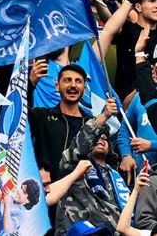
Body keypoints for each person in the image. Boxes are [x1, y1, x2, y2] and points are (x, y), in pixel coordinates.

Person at [54, 98, 126, 235]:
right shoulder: (74, 166)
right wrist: (104, 116)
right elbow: (81, 144)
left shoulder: (116, 175)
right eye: (97, 138)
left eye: (104, 139)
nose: (101, 141)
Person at [30, 63, 91, 184]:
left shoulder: (91, 123)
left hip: (83, 192)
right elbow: (17, 115)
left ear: (84, 89)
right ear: (57, 86)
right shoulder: (41, 116)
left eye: (78, 81)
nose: (73, 85)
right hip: (48, 188)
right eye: (67, 80)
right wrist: (30, 85)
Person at [97, 0, 157, 99]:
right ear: (138, 7)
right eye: (152, 1)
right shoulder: (127, 29)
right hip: (125, 101)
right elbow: (109, 28)